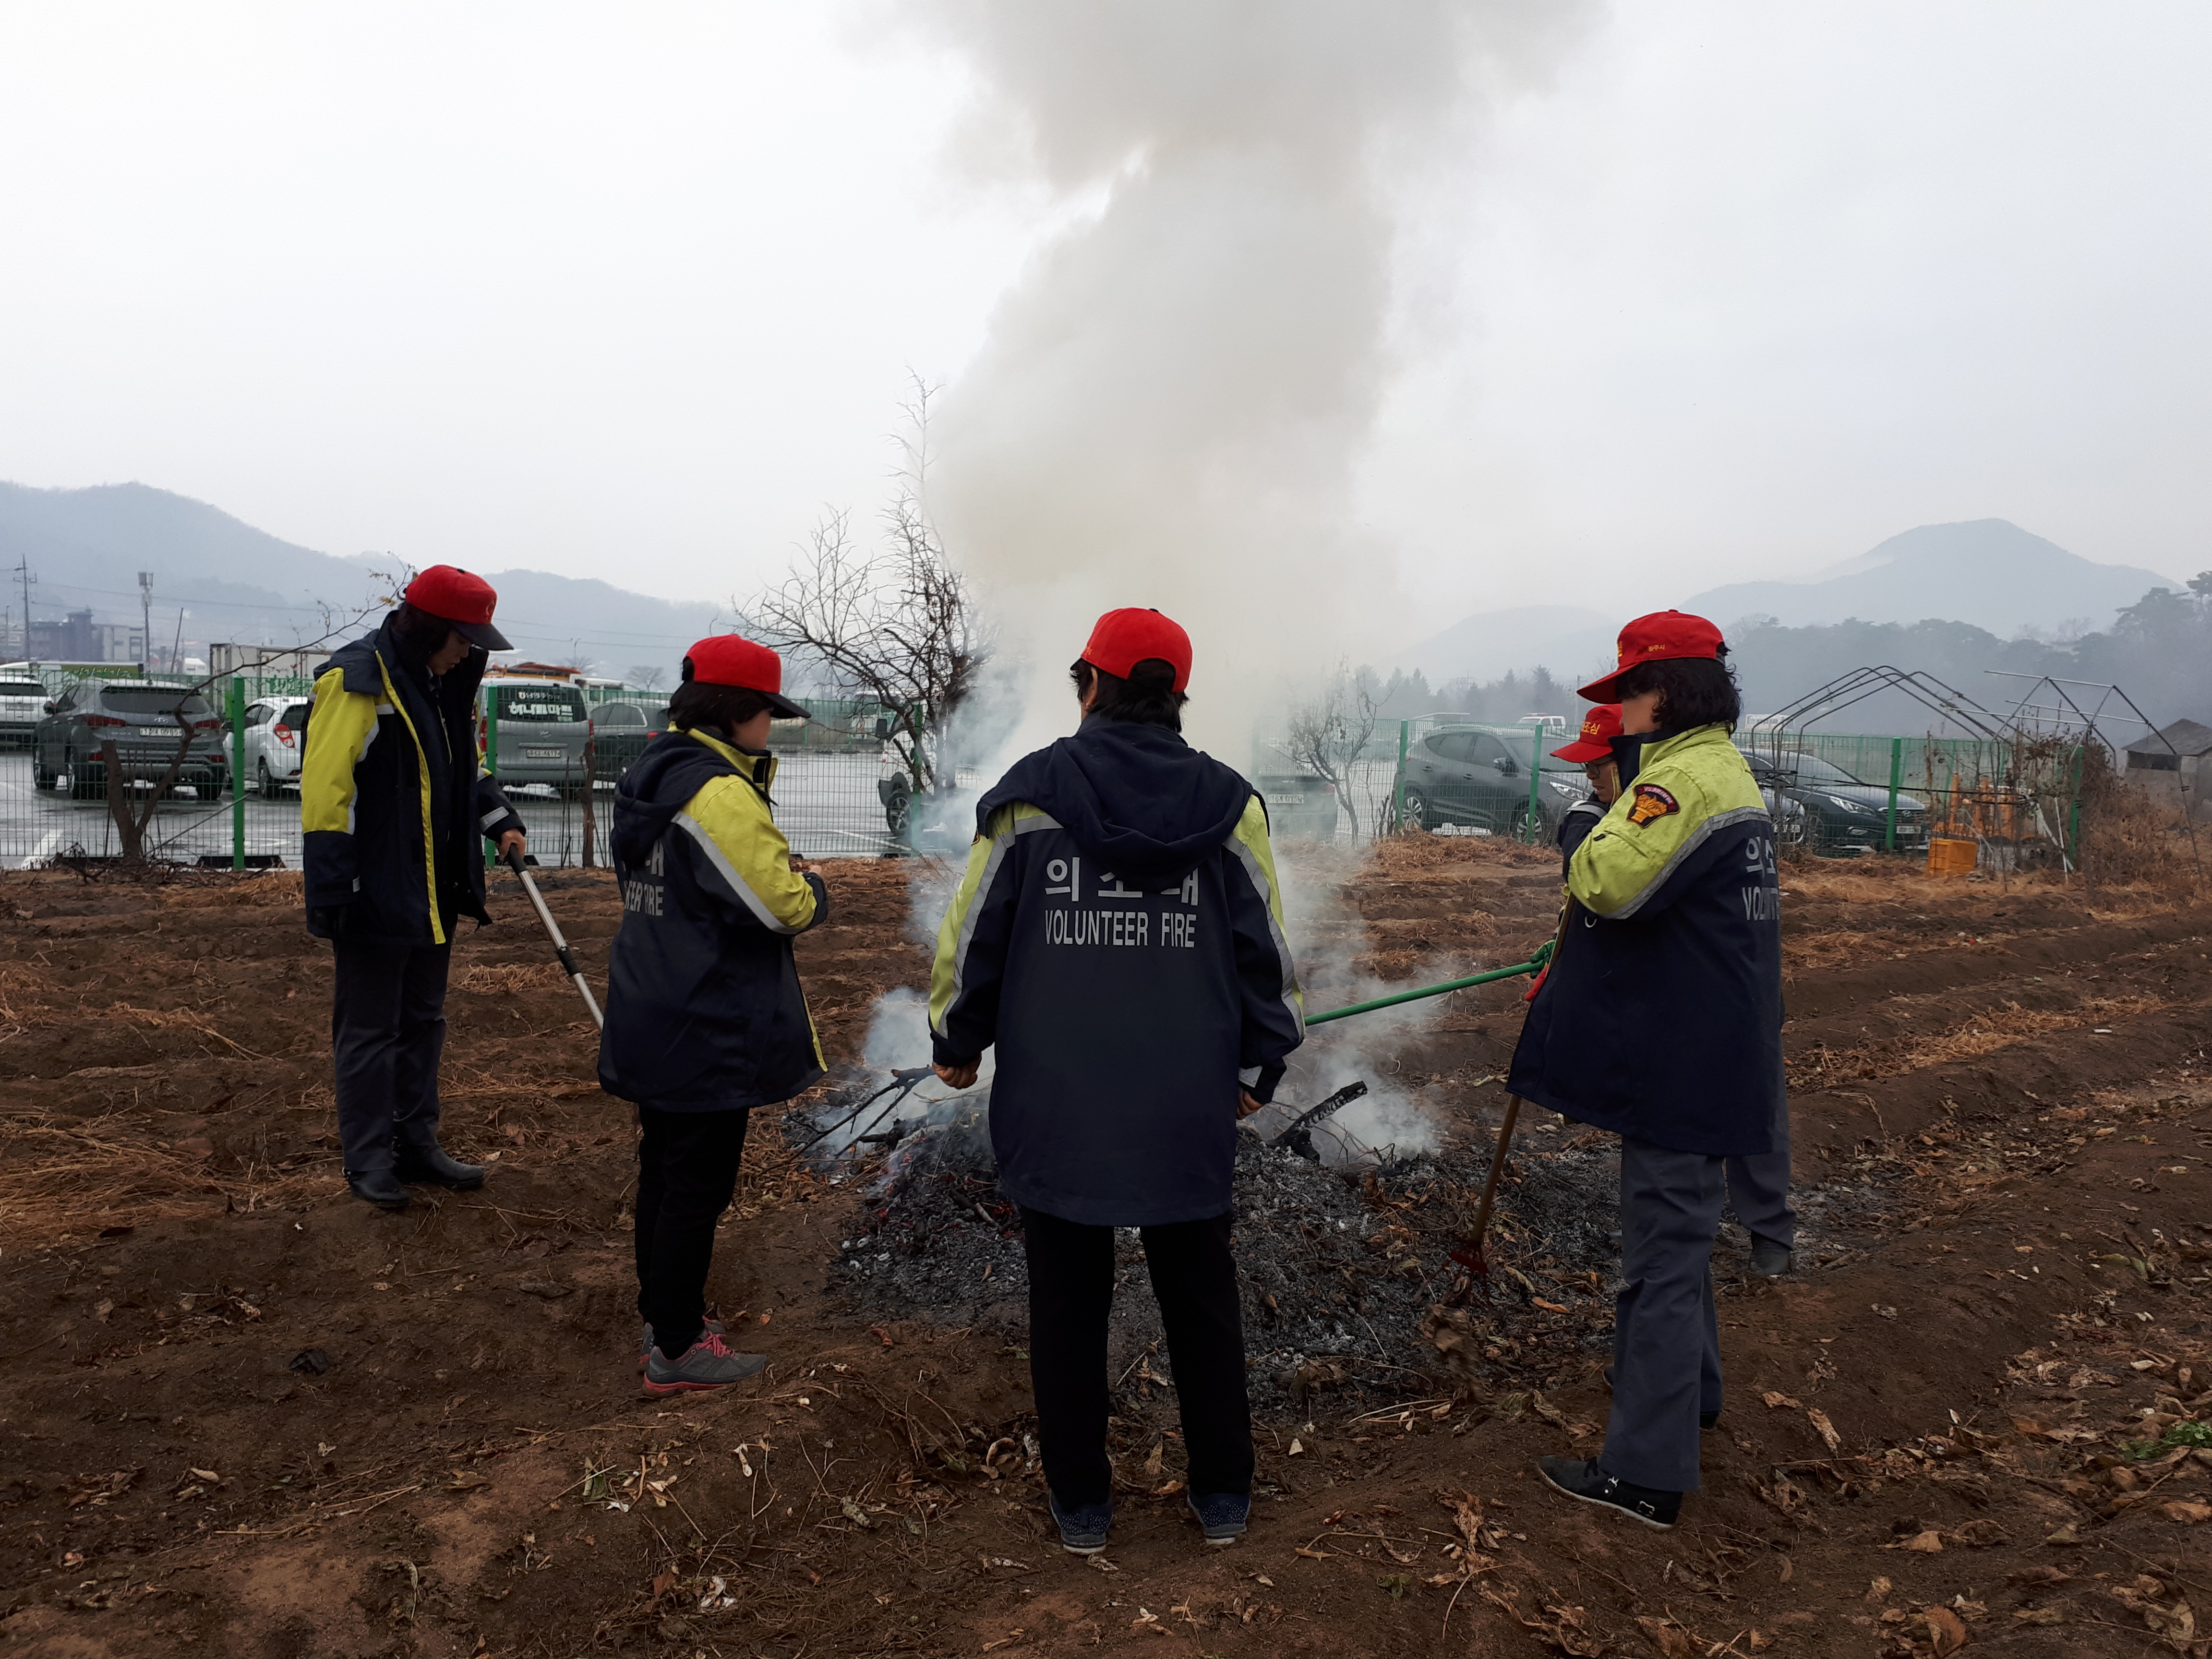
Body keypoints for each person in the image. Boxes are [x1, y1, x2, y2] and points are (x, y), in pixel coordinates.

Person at [928, 608, 1304, 1555]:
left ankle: (1083, 1508)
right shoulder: (1232, 806)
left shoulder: (1030, 798)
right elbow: (1266, 954)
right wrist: (1261, 1066)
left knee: (1067, 1305)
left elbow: (974, 936)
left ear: (1090, 685)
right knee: (1200, 1295)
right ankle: (1224, 1495)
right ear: (1177, 697)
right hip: (1185, 1103)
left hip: (1058, 1101)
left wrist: (957, 1039)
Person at [1508, 610, 1784, 1530]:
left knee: (1659, 1264)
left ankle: (1643, 1477)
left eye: (1625, 694)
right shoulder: (1728, 773)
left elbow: (1605, 883)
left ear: (1662, 693)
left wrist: (1586, 822)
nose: (1618, 716)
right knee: (1683, 1246)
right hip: (1713, 1053)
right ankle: (1693, 1398)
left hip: (1680, 1065)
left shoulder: (1677, 783)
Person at [598, 634, 828, 1396]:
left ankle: (664, 1316)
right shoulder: (719, 792)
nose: (771, 727)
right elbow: (778, 905)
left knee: (664, 1174)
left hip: (653, 1004)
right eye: (767, 713)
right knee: (697, 1188)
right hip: (706, 1024)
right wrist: (815, 888)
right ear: (735, 712)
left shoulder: (650, 776)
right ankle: (677, 1348)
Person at [302, 566, 529, 1213]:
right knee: (371, 1030)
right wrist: (334, 886)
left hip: (434, 887)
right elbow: (327, 789)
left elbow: (465, 769)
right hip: (373, 889)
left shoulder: (442, 686)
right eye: (464, 639)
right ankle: (370, 1160)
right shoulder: (357, 680)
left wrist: (500, 819)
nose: (468, 652)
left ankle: (416, 1143)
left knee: (423, 1021)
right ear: (432, 628)